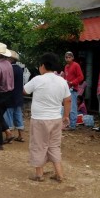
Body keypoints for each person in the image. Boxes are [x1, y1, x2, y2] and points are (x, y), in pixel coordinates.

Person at [23, 52, 71, 183]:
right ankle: (59, 174)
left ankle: (39, 174)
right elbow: (68, 100)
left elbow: (24, 91)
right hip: (56, 119)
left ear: (43, 65)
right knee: (54, 146)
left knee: (39, 145)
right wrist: (66, 116)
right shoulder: (62, 81)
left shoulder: (38, 79)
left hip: (40, 119)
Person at [4, 50, 25, 142]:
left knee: (8, 115)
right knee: (18, 115)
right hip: (18, 96)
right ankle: (21, 135)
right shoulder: (20, 69)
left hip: (9, 96)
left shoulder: (8, 69)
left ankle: (10, 136)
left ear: (10, 59)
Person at [63, 51, 84, 130]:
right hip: (67, 89)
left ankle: (72, 125)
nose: (68, 59)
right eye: (66, 57)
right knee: (67, 107)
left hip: (73, 89)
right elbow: (66, 77)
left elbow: (81, 77)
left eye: (69, 57)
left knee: (72, 107)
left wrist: (72, 82)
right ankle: (68, 124)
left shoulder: (76, 65)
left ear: (72, 58)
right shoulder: (66, 67)